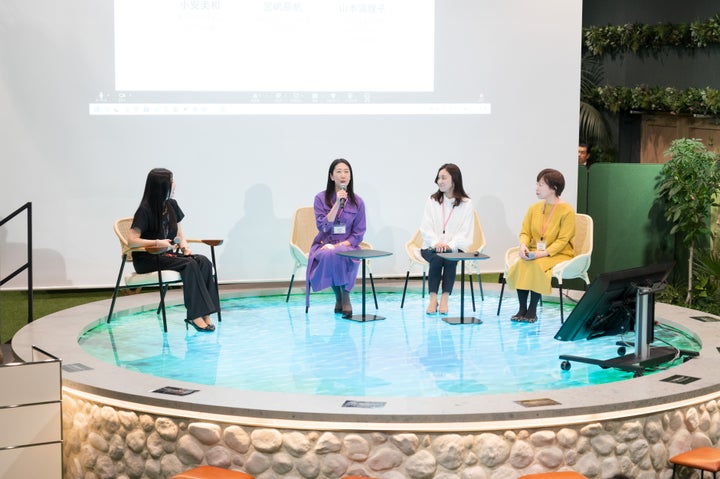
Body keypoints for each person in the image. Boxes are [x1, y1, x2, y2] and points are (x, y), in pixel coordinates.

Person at [127, 168, 219, 332]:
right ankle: (195, 315)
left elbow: (179, 234)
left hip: (166, 255)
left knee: (203, 261)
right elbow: (131, 241)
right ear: (161, 186)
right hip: (147, 259)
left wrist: (185, 249)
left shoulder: (171, 205)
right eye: (171, 181)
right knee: (189, 265)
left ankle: (206, 314)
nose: (174, 184)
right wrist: (157, 242)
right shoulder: (145, 210)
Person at [506, 168, 575, 323]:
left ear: (554, 188)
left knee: (536, 264)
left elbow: (563, 240)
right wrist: (523, 245)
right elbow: (525, 232)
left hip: (559, 253)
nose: (537, 188)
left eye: (541, 185)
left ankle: (532, 309)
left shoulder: (567, 211)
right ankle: (522, 309)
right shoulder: (533, 209)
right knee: (522, 263)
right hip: (534, 250)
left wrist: (541, 254)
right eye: (537, 184)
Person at [306, 159, 367, 318]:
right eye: (339, 171)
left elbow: (358, 234)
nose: (343, 175)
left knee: (341, 252)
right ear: (331, 176)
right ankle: (341, 297)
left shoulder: (358, 202)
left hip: (348, 245)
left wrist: (340, 244)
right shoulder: (320, 198)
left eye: (346, 171)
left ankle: (343, 296)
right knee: (330, 254)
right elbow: (323, 227)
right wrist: (336, 204)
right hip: (324, 244)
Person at [419, 163, 474, 315]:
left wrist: (449, 245)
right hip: (431, 247)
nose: (439, 181)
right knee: (437, 258)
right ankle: (433, 298)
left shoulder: (466, 203)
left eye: (444, 178)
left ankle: (444, 299)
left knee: (449, 258)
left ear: (454, 180)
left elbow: (465, 231)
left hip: (454, 248)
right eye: (438, 178)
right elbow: (426, 227)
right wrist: (436, 243)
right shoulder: (432, 200)